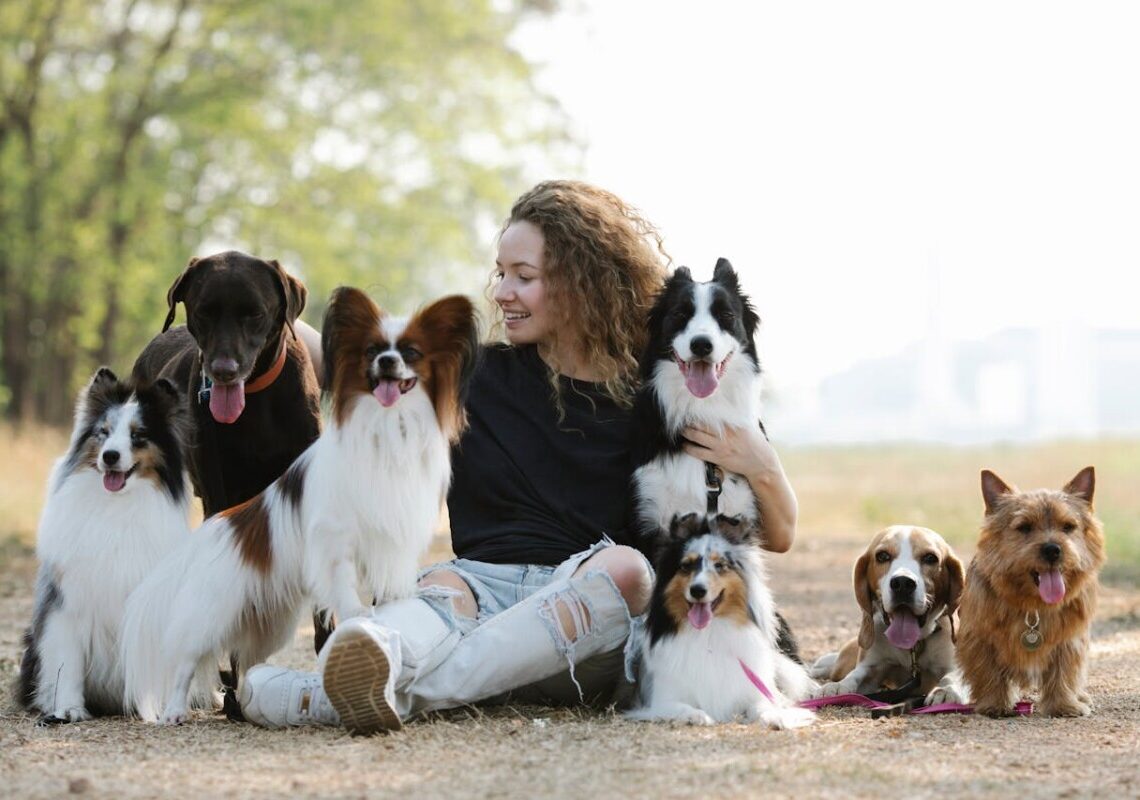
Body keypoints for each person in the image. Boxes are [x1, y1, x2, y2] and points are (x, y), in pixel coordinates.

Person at [238, 180, 800, 733]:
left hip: (584, 621)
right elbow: (345, 354)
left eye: (523, 277)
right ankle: (372, 659)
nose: (503, 292)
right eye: (500, 274)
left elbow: (776, 534)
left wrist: (761, 462)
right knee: (437, 592)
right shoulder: (473, 375)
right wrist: (251, 308)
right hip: (478, 589)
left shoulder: (659, 398)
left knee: (628, 570)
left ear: (582, 285)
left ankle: (330, 699)